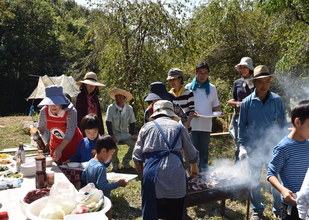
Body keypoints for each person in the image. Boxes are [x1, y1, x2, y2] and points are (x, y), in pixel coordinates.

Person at [133, 100, 199, 220]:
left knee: (152, 213)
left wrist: (144, 177)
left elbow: (137, 158)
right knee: (175, 213)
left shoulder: (146, 127)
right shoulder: (179, 127)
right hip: (176, 175)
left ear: (155, 113)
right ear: (171, 114)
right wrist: (194, 169)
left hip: (152, 175)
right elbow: (191, 153)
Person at [238, 65, 288, 219]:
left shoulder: (276, 100)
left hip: (273, 148)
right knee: (254, 181)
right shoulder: (247, 102)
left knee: (275, 180)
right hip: (254, 148)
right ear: (254, 83)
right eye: (261, 82)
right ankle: (257, 209)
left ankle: (278, 209)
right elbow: (241, 125)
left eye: (267, 81)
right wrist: (241, 146)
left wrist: (284, 145)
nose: (264, 85)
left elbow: (282, 125)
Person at [267, 100, 309, 220]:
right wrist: (282, 189)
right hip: (292, 206)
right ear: (297, 122)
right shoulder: (284, 147)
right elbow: (271, 173)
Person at [185, 61, 222, 172]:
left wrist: (220, 113)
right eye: (200, 72)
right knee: (192, 151)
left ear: (208, 74)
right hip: (192, 125)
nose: (202, 75)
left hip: (206, 125)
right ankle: (192, 174)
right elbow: (185, 107)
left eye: (205, 73)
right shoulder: (188, 88)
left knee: (204, 151)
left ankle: (204, 175)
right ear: (195, 73)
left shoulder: (212, 88)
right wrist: (191, 113)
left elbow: (216, 106)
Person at [37, 85, 83, 165]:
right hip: (55, 145)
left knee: (72, 173)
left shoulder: (71, 112)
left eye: (56, 102)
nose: (53, 106)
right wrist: (38, 139)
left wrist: (60, 149)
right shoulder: (44, 111)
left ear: (62, 102)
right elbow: (41, 128)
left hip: (73, 146)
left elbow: (69, 133)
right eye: (50, 103)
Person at [228, 57, 255, 161]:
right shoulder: (237, 83)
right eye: (241, 67)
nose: (243, 69)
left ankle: (252, 170)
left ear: (250, 69)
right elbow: (235, 98)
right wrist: (233, 102)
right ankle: (237, 170)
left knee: (251, 144)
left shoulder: (255, 82)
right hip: (239, 116)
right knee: (239, 143)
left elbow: (257, 98)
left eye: (245, 67)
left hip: (251, 117)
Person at [106, 88, 137, 171]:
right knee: (112, 144)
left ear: (124, 98)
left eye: (120, 97)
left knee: (136, 144)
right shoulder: (111, 108)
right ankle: (115, 164)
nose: (118, 98)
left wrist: (133, 134)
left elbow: (132, 122)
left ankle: (126, 162)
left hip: (125, 134)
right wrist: (111, 135)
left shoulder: (129, 109)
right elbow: (108, 122)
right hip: (114, 133)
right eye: (117, 96)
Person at [75, 72, 105, 136]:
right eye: (89, 84)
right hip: (84, 127)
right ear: (85, 85)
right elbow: (79, 115)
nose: (91, 86)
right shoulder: (80, 97)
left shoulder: (95, 98)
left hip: (94, 127)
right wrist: (81, 131)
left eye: (93, 84)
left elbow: (99, 114)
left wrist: (101, 131)